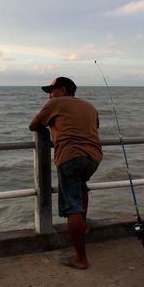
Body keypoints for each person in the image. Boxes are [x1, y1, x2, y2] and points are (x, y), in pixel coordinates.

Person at [29, 76, 103, 270]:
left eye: (52, 91)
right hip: (93, 158)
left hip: (70, 157)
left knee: (73, 208)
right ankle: (83, 226)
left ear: (62, 90)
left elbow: (33, 125)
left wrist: (49, 128)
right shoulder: (90, 106)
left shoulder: (56, 103)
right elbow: (94, 127)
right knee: (81, 189)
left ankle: (81, 258)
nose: (50, 95)